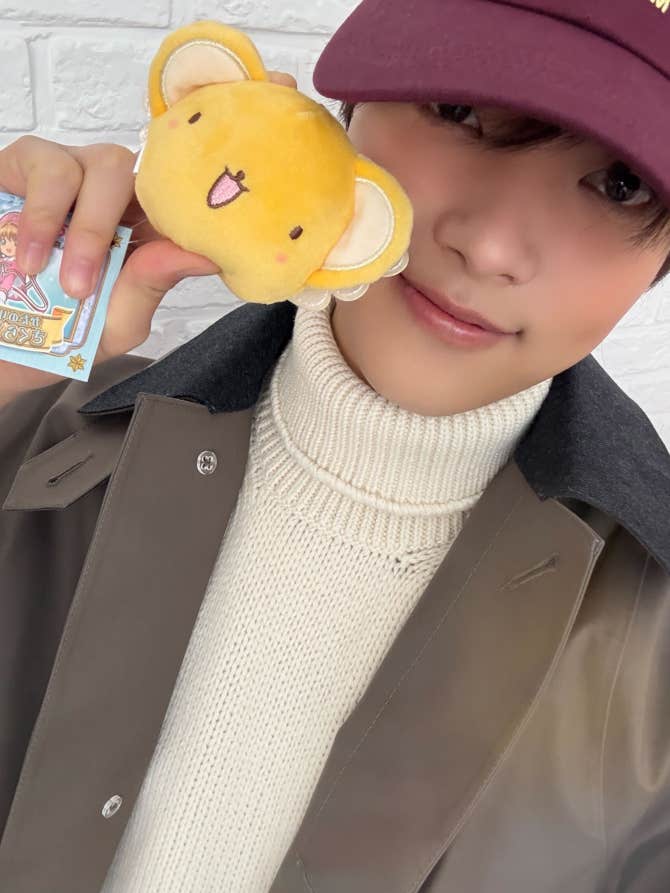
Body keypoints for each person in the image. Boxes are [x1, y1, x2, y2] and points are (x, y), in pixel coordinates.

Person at [1, 1, 669, 891]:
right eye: (461, 112)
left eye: (621, 184)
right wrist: (17, 334)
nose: (489, 246)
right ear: (343, 114)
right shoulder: (43, 432)